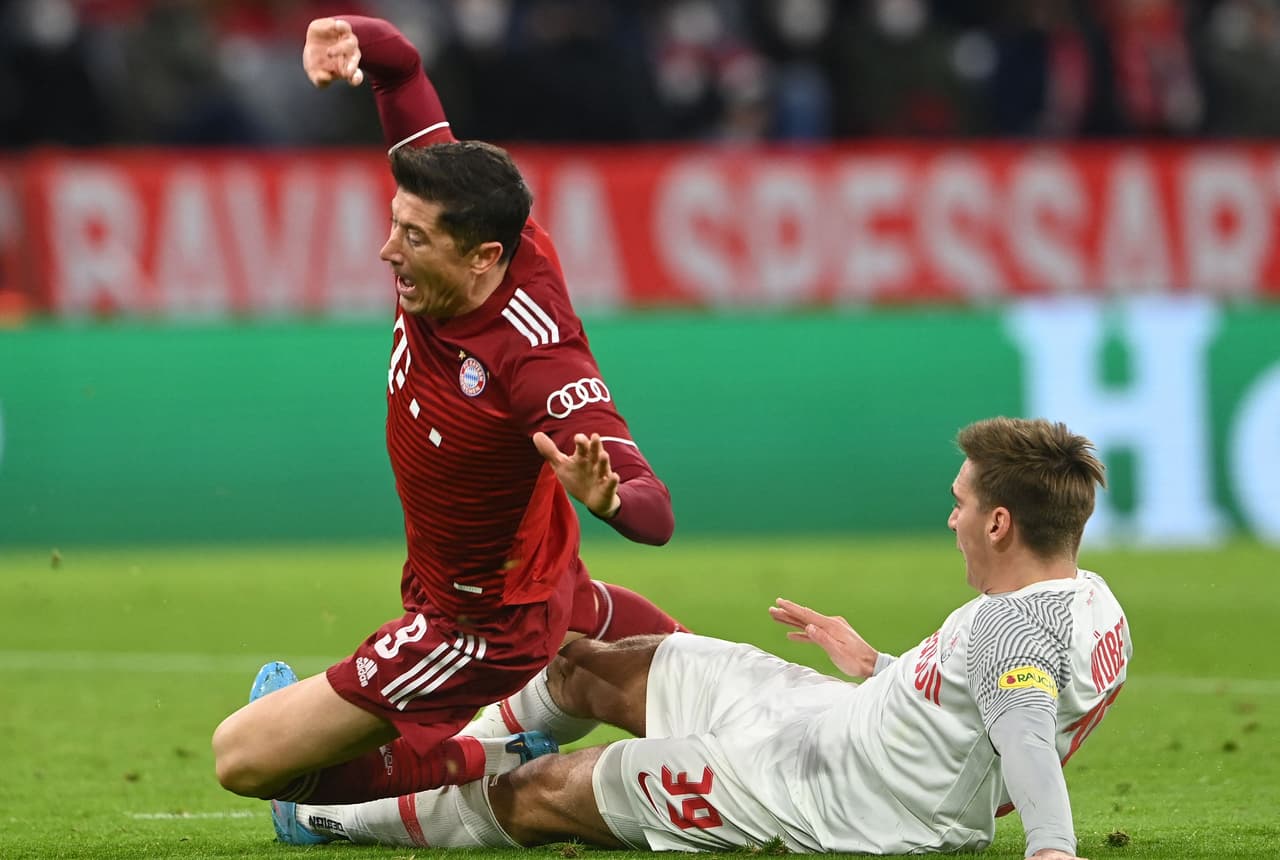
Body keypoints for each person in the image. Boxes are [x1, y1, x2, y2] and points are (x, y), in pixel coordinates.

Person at [211, 13, 688, 813]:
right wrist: (345, 33)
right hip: (520, 574)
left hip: (472, 626)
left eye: (414, 240)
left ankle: (484, 754)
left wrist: (611, 499)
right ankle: (670, 685)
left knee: (244, 757)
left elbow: (657, 513)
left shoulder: (535, 357)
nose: (389, 253)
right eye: (394, 226)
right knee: (644, 664)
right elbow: (398, 71)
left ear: (483, 258)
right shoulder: (456, 217)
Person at [280, 417, 1129, 860]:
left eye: (962, 502)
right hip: (837, 717)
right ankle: (444, 749)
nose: (952, 517)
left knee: (546, 791)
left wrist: (1051, 849)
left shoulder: (1013, 628)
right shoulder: (1092, 611)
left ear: (1003, 522)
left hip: (826, 796)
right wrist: (879, 667)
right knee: (591, 665)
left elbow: (1022, 736)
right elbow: (1003, 707)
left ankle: (323, 809)